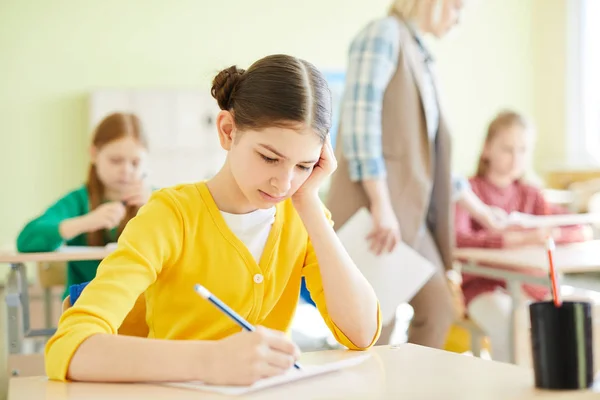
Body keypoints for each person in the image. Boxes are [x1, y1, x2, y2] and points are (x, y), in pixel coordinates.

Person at [45, 54, 381, 385]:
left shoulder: (302, 216)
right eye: (268, 157)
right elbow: (70, 347)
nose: (284, 183)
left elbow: (361, 333)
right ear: (227, 130)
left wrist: (308, 202)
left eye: (304, 166)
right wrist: (211, 361)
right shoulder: (169, 215)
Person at [326, 0, 466, 347]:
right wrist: (380, 203)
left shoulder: (424, 57)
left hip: (412, 215)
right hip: (378, 210)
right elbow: (360, 126)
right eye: (457, 6)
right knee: (374, 325)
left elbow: (431, 157)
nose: (458, 19)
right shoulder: (383, 35)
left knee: (437, 306)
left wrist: (483, 213)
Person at [455, 110, 590, 363]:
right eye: (507, 149)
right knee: (511, 322)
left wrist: (553, 233)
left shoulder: (531, 194)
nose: (515, 158)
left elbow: (573, 226)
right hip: (486, 290)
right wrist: (517, 239)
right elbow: (459, 240)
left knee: (587, 310)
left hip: (535, 288)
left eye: (523, 150)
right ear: (487, 149)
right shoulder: (468, 191)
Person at [17, 112, 152, 299]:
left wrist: (153, 211)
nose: (126, 171)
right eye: (115, 160)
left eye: (135, 163)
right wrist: (85, 222)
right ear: (94, 154)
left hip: (141, 310)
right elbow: (26, 240)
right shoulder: (78, 201)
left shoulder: (156, 200)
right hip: (84, 307)